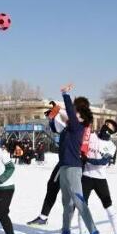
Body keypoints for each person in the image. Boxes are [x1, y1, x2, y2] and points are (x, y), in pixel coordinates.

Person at [27, 96, 92, 227]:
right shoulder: (78, 123)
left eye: (75, 108)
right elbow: (59, 128)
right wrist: (52, 117)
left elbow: (65, 123)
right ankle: (46, 218)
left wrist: (57, 109)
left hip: (74, 162)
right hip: (69, 160)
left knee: (72, 195)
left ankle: (76, 227)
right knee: (56, 187)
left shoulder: (81, 124)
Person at [54, 84, 99, 234]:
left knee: (79, 203)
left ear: (81, 117)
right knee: (66, 203)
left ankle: (94, 232)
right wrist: (52, 118)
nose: (73, 115)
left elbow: (71, 115)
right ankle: (66, 232)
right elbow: (58, 125)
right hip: (64, 168)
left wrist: (65, 94)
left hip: (73, 168)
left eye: (76, 113)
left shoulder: (78, 127)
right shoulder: (68, 129)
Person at [74, 119, 117, 234]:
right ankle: (82, 233)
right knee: (82, 206)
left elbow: (103, 162)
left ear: (112, 132)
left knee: (108, 206)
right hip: (86, 177)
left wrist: (88, 159)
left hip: (100, 179)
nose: (106, 127)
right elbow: (80, 144)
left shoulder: (112, 146)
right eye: (106, 125)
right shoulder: (91, 136)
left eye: (110, 127)